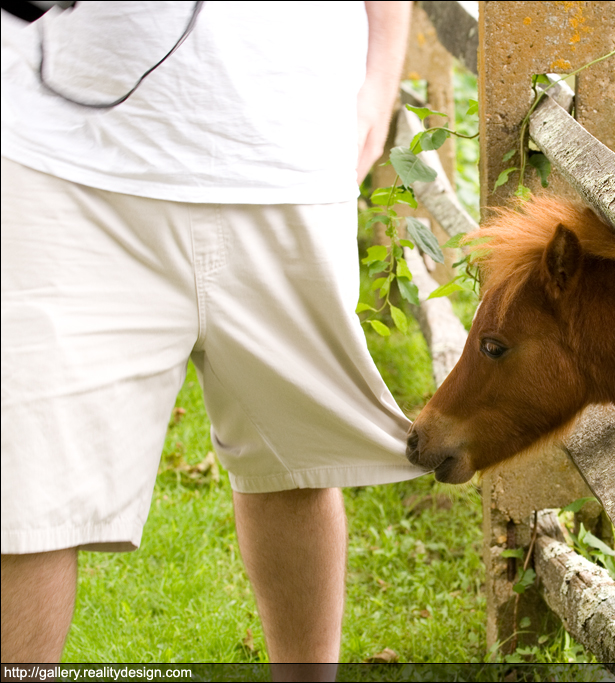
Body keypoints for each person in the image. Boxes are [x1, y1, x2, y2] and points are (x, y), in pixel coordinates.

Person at [1, 1, 422, 675]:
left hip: (289, 136)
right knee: (28, 492)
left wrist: (381, 71)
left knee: (296, 465)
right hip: (60, 146)